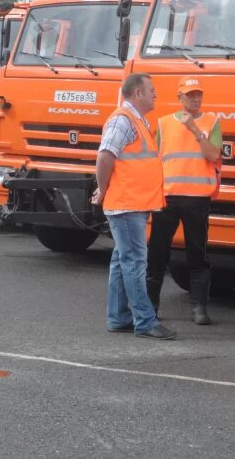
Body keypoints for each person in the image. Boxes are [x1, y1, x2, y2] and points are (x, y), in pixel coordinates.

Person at [92, 73, 174, 340]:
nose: (155, 95)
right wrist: (103, 189)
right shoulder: (123, 121)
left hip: (131, 204)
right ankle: (145, 321)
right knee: (135, 262)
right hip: (126, 205)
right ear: (138, 93)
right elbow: (105, 156)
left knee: (122, 260)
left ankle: (118, 318)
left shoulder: (136, 121)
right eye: (151, 90)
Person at [146, 77, 222, 325]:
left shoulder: (211, 122)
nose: (195, 98)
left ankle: (199, 307)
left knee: (197, 254)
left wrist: (194, 130)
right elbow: (155, 161)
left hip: (198, 198)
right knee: (157, 253)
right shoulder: (164, 123)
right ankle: (151, 306)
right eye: (189, 95)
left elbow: (213, 155)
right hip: (167, 196)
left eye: (198, 94)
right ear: (179, 97)